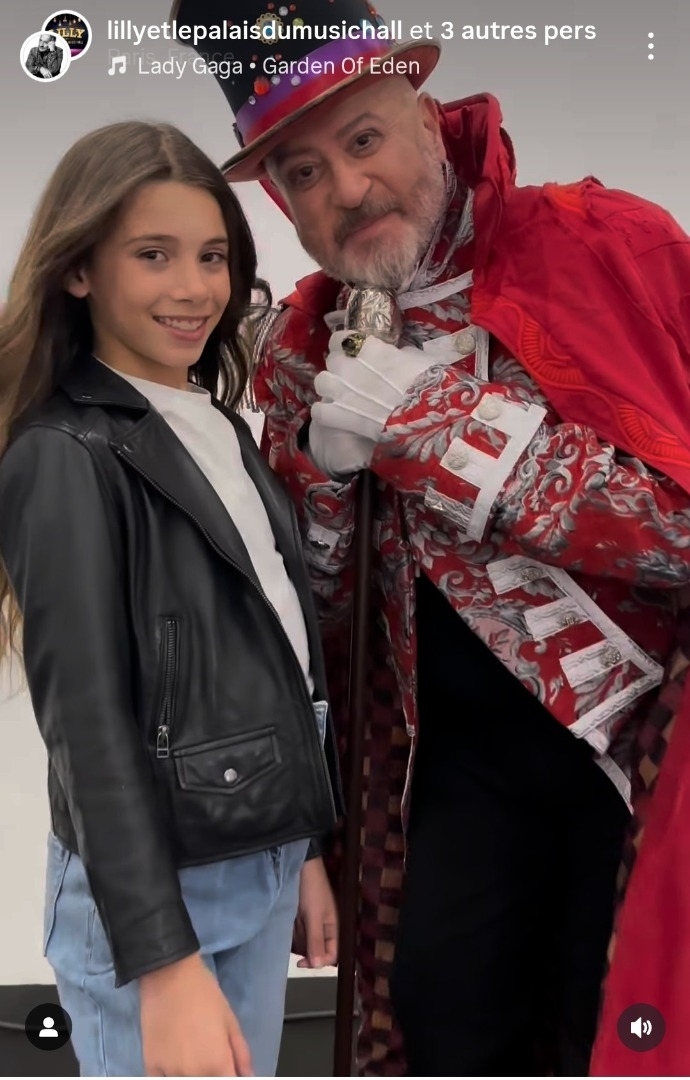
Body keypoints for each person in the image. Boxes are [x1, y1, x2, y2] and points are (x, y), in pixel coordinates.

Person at [177, 0, 690, 1075]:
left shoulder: (606, 247)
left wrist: (452, 433)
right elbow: (313, 627)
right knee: (441, 1031)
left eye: (363, 139)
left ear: (423, 111)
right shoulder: (301, 343)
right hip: (451, 783)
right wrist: (321, 484)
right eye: (303, 173)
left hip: (639, 761)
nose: (346, 189)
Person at [0, 119, 343, 1078]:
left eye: (212, 257)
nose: (193, 289)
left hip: (257, 863)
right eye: (153, 255)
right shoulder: (63, 454)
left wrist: (303, 849)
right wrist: (162, 962)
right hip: (155, 900)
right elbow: (87, 729)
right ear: (79, 270)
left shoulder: (215, 425)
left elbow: (276, 649)